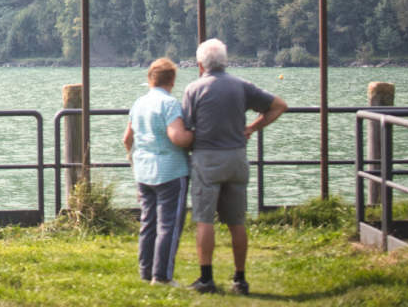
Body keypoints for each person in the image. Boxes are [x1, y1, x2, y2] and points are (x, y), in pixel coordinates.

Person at [182, 38, 287, 295]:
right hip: (237, 157)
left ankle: (206, 278)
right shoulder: (242, 86)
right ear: (225, 61)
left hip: (207, 158)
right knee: (236, 221)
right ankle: (240, 279)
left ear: (200, 64)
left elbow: (185, 128)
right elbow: (279, 106)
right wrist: (252, 127)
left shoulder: (194, 89)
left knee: (204, 219)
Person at [123, 58, 194, 286]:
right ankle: (162, 276)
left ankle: (145, 272)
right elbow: (178, 137)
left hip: (143, 171)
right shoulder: (170, 104)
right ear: (172, 80)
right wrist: (200, 136)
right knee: (169, 226)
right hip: (170, 171)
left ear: (149, 79)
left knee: (148, 223)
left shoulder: (139, 103)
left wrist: (134, 157)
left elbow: (127, 139)